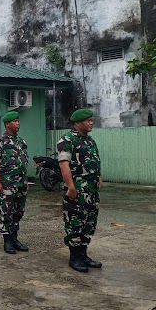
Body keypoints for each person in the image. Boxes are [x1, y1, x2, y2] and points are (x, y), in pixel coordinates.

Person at [57, 108, 103, 272]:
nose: (91, 123)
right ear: (77, 122)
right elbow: (64, 165)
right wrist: (71, 186)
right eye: (88, 120)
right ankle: (74, 257)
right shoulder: (67, 140)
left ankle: (83, 255)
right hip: (77, 190)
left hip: (91, 191)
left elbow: (95, 162)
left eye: (91, 120)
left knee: (89, 223)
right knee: (75, 222)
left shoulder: (89, 141)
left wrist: (99, 177)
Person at [0, 111, 29, 254]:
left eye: (18, 121)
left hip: (21, 184)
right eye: (15, 121)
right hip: (7, 184)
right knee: (6, 212)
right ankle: (7, 242)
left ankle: (15, 239)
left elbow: (24, 161)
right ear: (7, 124)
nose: (18, 123)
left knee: (18, 213)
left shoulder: (21, 141)